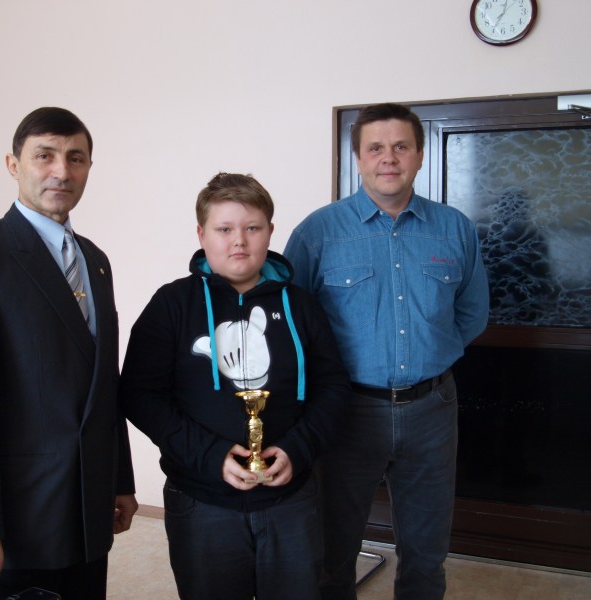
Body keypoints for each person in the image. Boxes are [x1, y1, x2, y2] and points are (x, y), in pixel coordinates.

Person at [0, 107, 138, 600]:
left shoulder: (96, 261)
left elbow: (104, 383)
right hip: (19, 520)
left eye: (75, 158)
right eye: (44, 155)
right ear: (12, 164)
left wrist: (119, 480)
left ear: (88, 168)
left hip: (89, 511)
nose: (61, 171)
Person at [284, 103, 489, 600]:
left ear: (420, 155)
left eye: (401, 146)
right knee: (332, 548)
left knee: (426, 550)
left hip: (432, 409)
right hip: (346, 412)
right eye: (375, 148)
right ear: (358, 157)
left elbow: (472, 313)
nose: (388, 158)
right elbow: (292, 323)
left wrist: (428, 354)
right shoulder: (318, 232)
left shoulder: (454, 228)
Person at [120, 173, 351, 600]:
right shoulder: (172, 304)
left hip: (291, 501)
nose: (239, 241)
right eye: (224, 229)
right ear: (201, 234)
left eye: (252, 228)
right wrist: (210, 456)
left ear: (270, 232)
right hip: (201, 501)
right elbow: (140, 395)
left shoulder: (301, 305)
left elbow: (333, 386)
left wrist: (298, 449)